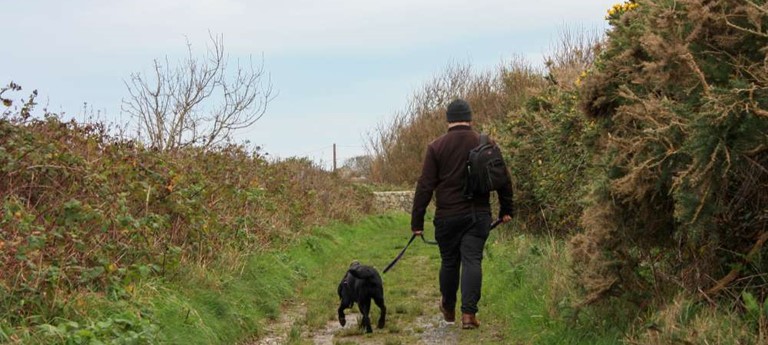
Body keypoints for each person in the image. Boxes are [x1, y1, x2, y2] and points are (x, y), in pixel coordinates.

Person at [410, 98, 513, 329]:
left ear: (448, 120)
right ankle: (469, 315)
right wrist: (507, 209)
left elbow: (425, 186)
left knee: (449, 262)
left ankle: (448, 307)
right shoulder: (485, 143)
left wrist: (417, 222)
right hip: (478, 216)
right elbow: (503, 179)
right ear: (470, 118)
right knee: (472, 260)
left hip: (447, 216)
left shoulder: (436, 147)